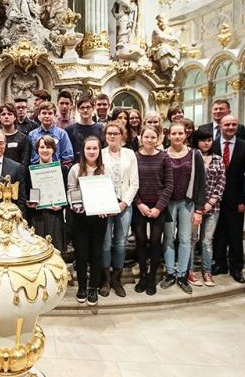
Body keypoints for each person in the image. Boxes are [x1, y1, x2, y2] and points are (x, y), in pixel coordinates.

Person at [160, 122, 206, 294]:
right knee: (169, 238)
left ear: (186, 135)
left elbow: (201, 183)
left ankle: (182, 274)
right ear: (168, 135)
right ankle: (170, 273)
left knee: (185, 239)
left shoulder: (195, 154)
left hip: (187, 203)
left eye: (180, 133)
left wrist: (200, 209)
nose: (177, 137)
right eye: (174, 134)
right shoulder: (163, 154)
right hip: (168, 203)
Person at [211, 115, 245, 284]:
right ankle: (220, 264)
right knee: (218, 234)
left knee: (236, 236)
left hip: (237, 200)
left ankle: (236, 268)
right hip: (215, 199)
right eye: (226, 124)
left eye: (233, 124)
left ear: (237, 127)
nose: (230, 127)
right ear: (220, 126)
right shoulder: (212, 145)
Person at [67, 136, 108, 306]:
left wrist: (105, 206)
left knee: (96, 253)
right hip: (80, 217)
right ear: (83, 151)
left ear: (99, 150)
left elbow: (110, 190)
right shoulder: (75, 169)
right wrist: (76, 205)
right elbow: (71, 190)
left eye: (95, 148)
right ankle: (82, 287)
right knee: (82, 254)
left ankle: (93, 288)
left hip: (99, 217)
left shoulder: (106, 169)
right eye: (88, 148)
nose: (91, 152)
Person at [100, 121, 138, 298]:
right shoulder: (100, 154)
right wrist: (103, 204)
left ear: (122, 135)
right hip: (105, 204)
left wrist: (124, 203)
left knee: (120, 243)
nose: (112, 136)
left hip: (124, 203)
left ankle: (117, 279)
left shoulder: (130, 154)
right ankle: (105, 280)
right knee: (106, 243)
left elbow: (134, 182)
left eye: (115, 133)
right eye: (109, 133)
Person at [134, 125, 173, 296]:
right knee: (141, 241)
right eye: (146, 137)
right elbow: (130, 183)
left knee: (156, 242)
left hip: (158, 207)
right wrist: (139, 203)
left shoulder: (164, 158)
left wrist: (158, 207)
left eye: (152, 137)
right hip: (140, 206)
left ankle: (152, 277)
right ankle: (142, 275)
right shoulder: (134, 157)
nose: (149, 140)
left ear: (157, 139)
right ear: (140, 138)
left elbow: (169, 185)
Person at [187, 129, 225, 287]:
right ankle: (189, 271)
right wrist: (199, 205)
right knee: (191, 240)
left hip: (213, 208)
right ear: (197, 141)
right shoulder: (191, 157)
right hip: (193, 206)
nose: (206, 143)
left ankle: (207, 271)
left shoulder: (218, 159)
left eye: (209, 140)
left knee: (207, 241)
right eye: (203, 140)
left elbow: (221, 183)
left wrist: (210, 203)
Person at [26, 135, 67, 252]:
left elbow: (67, 193)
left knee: (56, 251)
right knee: (37, 251)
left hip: (55, 216)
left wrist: (62, 205)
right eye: (42, 147)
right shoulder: (30, 170)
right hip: (37, 216)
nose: (45, 150)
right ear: (37, 150)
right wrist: (28, 203)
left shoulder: (62, 169)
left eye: (48, 147)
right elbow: (26, 193)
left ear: (53, 150)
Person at [65, 94, 104, 163]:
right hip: (76, 168)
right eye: (82, 108)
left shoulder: (101, 129)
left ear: (93, 108)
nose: (85, 110)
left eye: (88, 107)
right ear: (78, 109)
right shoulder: (69, 130)